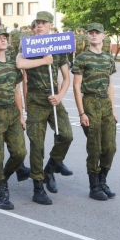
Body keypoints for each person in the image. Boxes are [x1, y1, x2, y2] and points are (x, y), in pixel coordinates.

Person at [0, 28, 38, 209]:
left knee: (20, 153)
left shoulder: (13, 65)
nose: (3, 40)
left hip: (12, 113)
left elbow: (16, 91)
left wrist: (21, 114)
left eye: (4, 37)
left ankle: (3, 176)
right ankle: (1, 193)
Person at [16, 11, 74, 195]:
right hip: (35, 99)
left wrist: (60, 96)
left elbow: (66, 78)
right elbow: (20, 64)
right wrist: (43, 60)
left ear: (50, 26)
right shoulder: (29, 45)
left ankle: (51, 167)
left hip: (54, 98)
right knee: (37, 144)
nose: (40, 25)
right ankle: (38, 185)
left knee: (66, 135)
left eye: (44, 22)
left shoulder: (59, 46)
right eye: (37, 23)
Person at [72, 23, 118, 201]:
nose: (93, 35)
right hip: (90, 102)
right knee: (95, 147)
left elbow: (111, 85)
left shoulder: (108, 58)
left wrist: (113, 109)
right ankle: (94, 186)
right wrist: (82, 113)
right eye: (90, 33)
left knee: (110, 147)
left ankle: (102, 180)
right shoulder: (82, 58)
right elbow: (76, 87)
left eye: (97, 33)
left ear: (103, 36)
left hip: (105, 102)